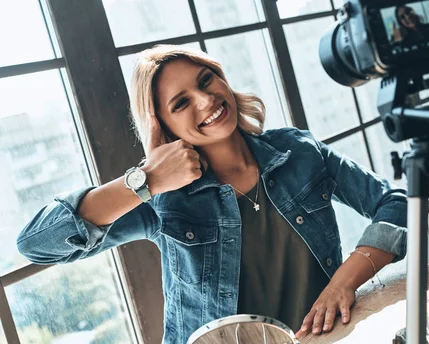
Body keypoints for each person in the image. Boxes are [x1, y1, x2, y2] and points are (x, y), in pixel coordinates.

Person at [16, 45, 408, 343]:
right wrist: (145, 180)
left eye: (206, 80)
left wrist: (344, 282)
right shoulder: (161, 200)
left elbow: (396, 205)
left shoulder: (299, 152)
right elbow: (38, 243)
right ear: (164, 126)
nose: (206, 101)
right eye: (181, 103)